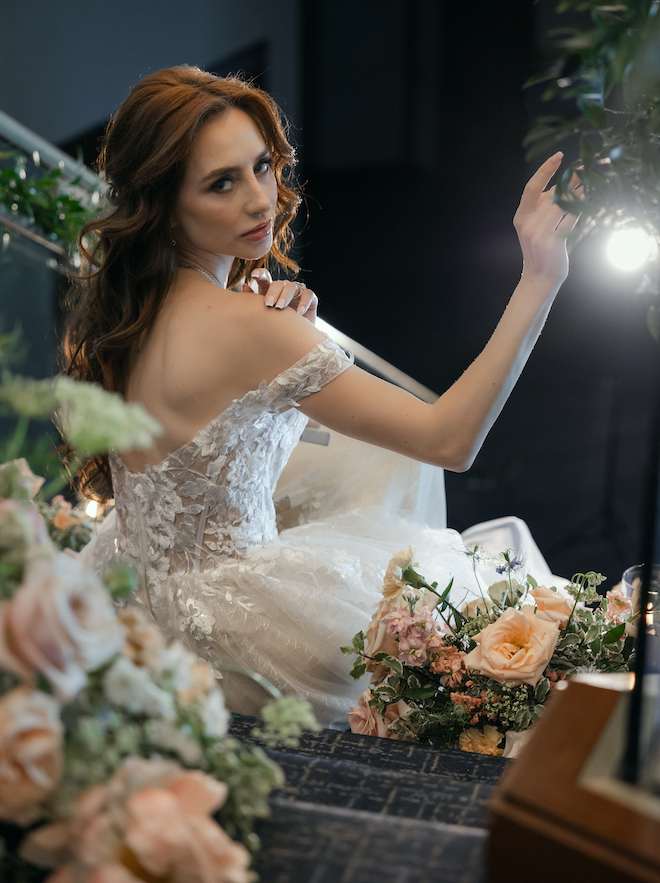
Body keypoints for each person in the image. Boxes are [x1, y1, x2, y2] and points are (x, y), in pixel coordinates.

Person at [68, 66, 578, 726]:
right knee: (446, 632)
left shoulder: (131, 309)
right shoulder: (254, 329)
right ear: (165, 205)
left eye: (260, 166)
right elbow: (450, 440)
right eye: (222, 183)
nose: (260, 200)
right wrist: (539, 278)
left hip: (130, 604)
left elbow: (213, 443)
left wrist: (286, 335)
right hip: (231, 639)